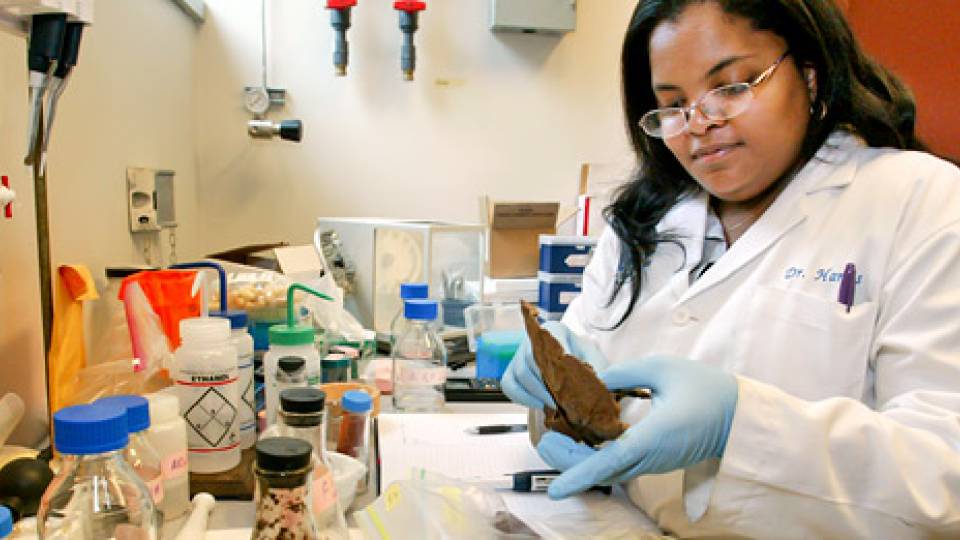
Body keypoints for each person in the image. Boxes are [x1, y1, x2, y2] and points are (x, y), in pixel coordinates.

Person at [501, 0, 960, 537]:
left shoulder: (921, 202)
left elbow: (944, 477)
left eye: (732, 86)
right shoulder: (643, 223)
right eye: (673, 104)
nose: (699, 124)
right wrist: (552, 394)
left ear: (810, 74)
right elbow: (587, 397)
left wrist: (739, 424)